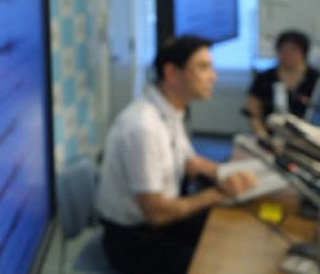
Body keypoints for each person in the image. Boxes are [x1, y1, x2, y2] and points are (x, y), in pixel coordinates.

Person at [96, 35, 257, 274]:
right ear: (171, 73)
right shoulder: (143, 126)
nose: (213, 76)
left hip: (161, 222)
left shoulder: (169, 111)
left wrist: (230, 174)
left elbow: (190, 162)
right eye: (203, 67)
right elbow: (157, 214)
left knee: (233, 228)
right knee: (215, 264)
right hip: (134, 239)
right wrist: (220, 192)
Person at [246, 30, 320, 137]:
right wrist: (262, 134)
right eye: (283, 50)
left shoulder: (315, 78)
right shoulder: (265, 78)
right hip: (271, 133)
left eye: (293, 51)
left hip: (308, 134)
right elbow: (252, 109)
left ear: (303, 52)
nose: (287, 55)